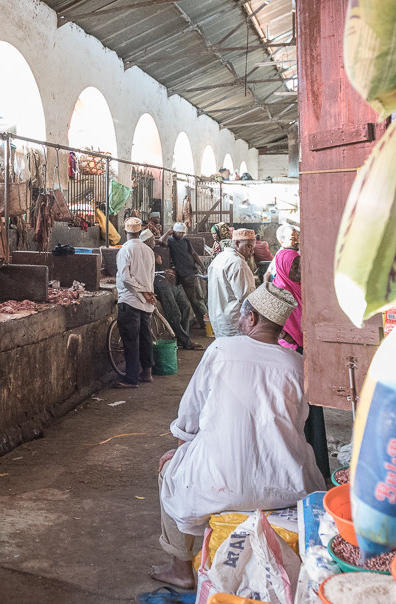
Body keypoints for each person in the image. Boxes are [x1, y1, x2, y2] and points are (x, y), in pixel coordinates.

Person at [149, 283, 326, 589]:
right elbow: (296, 425)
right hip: (287, 487)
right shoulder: (298, 365)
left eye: (244, 317)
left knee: (169, 471)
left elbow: (189, 418)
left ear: (252, 319)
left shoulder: (221, 350)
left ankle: (180, 567)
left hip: (220, 489)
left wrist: (180, 455)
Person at [271, 248, 331, 480]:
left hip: (306, 353)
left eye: (299, 265)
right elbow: (281, 332)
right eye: (294, 266)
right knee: (294, 415)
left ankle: (317, 466)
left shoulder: (301, 290)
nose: (298, 270)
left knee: (312, 411)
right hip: (289, 358)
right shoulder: (279, 292)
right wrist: (297, 341)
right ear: (284, 268)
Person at [141, 230, 202, 352]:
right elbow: (151, 267)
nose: (154, 241)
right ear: (147, 241)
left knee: (185, 307)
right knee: (175, 314)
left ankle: (182, 337)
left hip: (167, 281)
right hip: (158, 285)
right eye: (152, 239)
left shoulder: (153, 251)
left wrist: (168, 271)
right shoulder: (144, 252)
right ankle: (186, 341)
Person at [114, 218, 156, 388]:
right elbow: (151, 275)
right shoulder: (148, 250)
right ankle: (147, 373)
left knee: (131, 341)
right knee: (145, 338)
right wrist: (146, 292)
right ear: (139, 232)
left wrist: (140, 291)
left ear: (125, 232)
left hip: (130, 301)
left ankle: (131, 378)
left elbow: (125, 278)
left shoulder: (125, 250)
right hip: (146, 302)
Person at [204, 228, 256, 337]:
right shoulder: (238, 263)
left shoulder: (220, 258)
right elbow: (246, 297)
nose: (252, 251)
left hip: (218, 318)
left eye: (253, 247)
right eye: (249, 246)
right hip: (233, 322)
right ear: (237, 243)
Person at [158, 222, 208, 331]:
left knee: (197, 301)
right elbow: (161, 241)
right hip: (183, 274)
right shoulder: (171, 241)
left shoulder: (185, 241)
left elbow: (194, 254)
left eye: (183, 233)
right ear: (174, 231)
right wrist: (168, 232)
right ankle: (204, 323)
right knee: (195, 301)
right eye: (179, 233)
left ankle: (208, 323)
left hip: (190, 274)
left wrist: (202, 266)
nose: (181, 235)